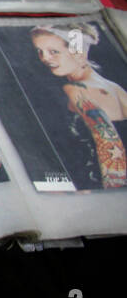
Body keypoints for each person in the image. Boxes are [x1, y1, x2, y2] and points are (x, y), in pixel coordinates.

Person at [30, 22, 127, 189]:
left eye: (54, 52)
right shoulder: (114, 88)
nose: (45, 58)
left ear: (79, 53)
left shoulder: (76, 90)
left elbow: (111, 147)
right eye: (40, 51)